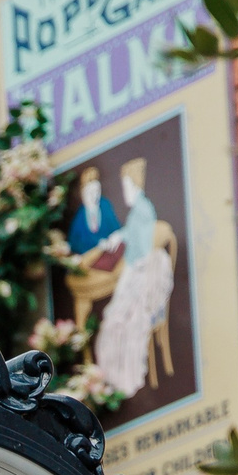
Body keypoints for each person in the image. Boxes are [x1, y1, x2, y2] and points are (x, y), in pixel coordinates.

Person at [91, 159, 174, 397]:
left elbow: (144, 248)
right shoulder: (138, 210)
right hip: (135, 269)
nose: (125, 191)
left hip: (143, 273)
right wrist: (118, 237)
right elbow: (132, 232)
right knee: (112, 318)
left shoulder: (143, 209)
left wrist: (130, 267)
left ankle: (120, 379)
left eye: (126, 186)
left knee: (117, 321)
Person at [66, 167, 121, 261]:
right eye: (89, 192)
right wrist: (97, 245)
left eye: (97, 191)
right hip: (93, 259)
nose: (94, 196)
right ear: (82, 193)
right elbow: (74, 243)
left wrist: (114, 238)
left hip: (112, 254)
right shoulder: (80, 216)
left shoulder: (105, 205)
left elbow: (116, 228)